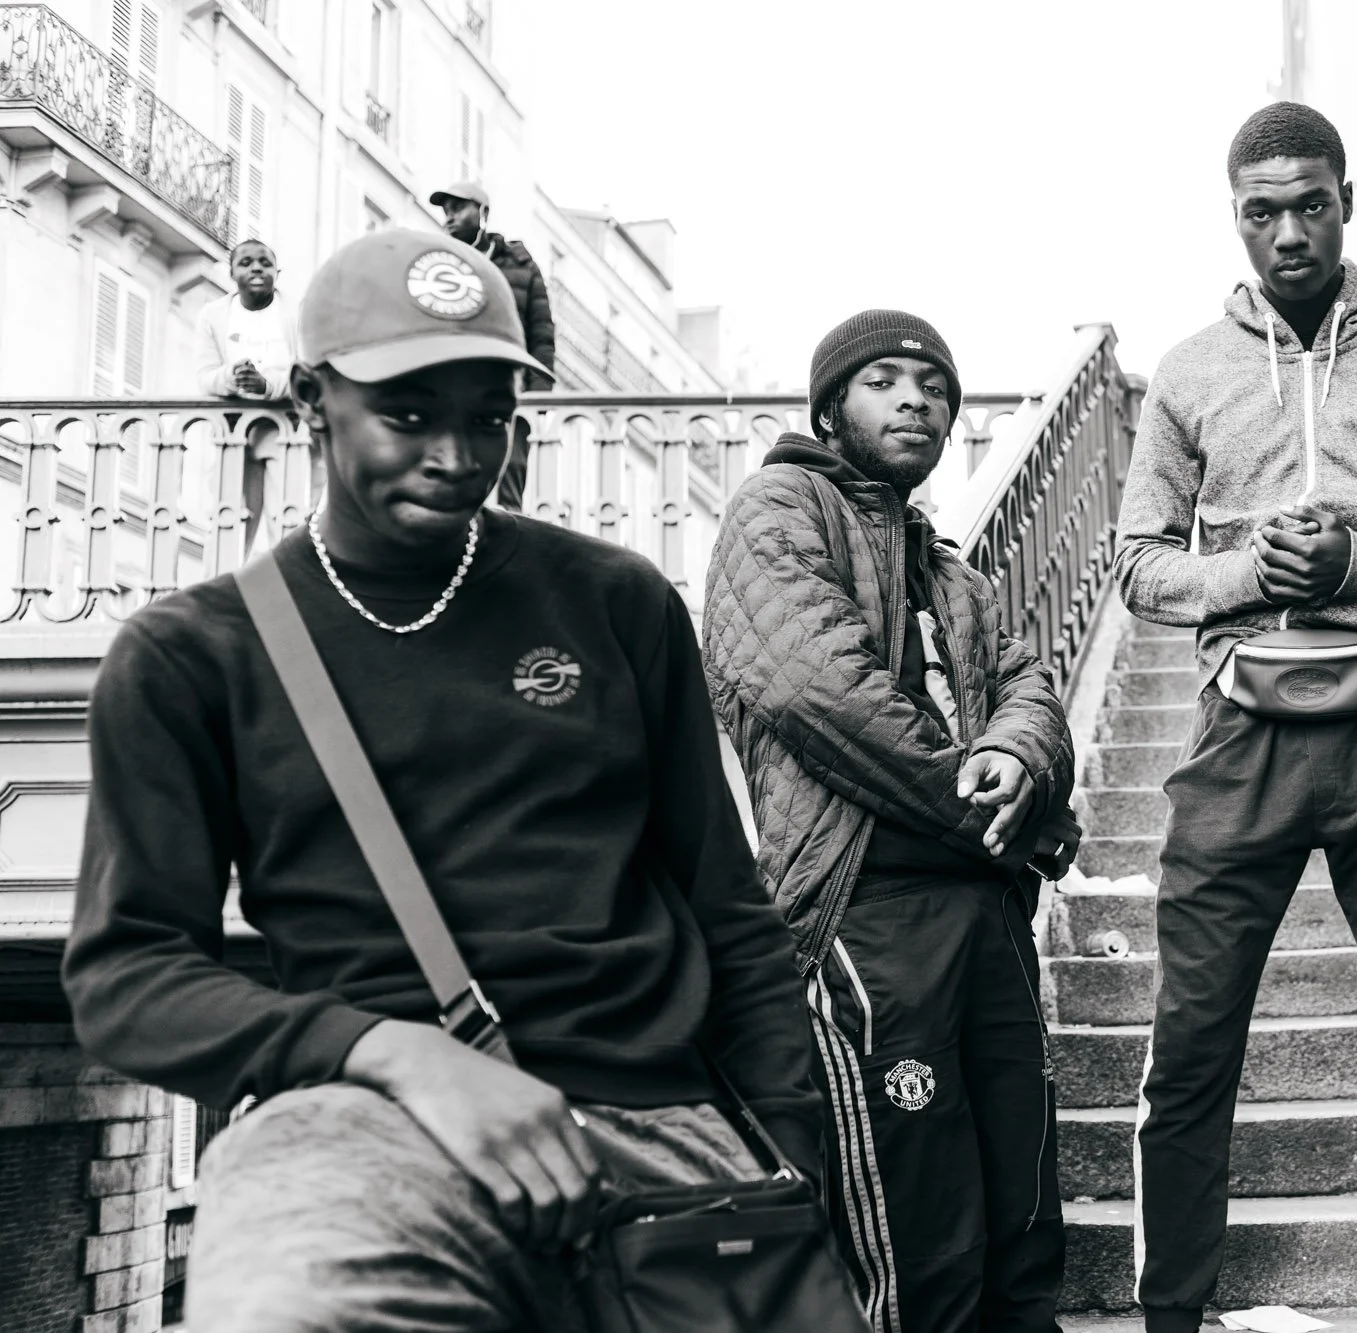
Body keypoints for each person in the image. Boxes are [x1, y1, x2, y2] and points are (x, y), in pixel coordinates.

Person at [64, 228, 820, 1330]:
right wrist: (392, 1052)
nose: (459, 454)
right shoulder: (192, 656)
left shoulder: (617, 604)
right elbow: (127, 976)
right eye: (410, 415)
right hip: (356, 1126)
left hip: (659, 1126)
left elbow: (726, 909)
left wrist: (788, 1158)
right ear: (314, 404)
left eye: (489, 417)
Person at [1114, 102, 1357, 1333]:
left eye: (1310, 202)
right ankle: (1172, 1309)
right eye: (1260, 210)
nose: (1287, 230)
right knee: (1187, 1047)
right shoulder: (1186, 372)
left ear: (1345, 201)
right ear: (1233, 217)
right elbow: (1135, 564)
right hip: (1242, 727)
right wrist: (1248, 578)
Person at [703, 310, 1078, 1333]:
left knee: (1021, 1200)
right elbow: (812, 691)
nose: (916, 398)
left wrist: (1018, 757)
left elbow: (1027, 686)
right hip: (862, 910)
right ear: (830, 406)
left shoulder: (949, 571)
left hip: (983, 911)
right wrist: (987, 800)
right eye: (882, 379)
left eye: (933, 384)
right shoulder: (777, 510)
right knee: (917, 1226)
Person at [432, 179, 557, 511]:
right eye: (446, 211)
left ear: (483, 212)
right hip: (455, 382)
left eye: (458, 208)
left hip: (509, 382)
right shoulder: (437, 261)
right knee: (454, 465)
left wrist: (538, 394)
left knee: (510, 469)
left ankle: (507, 545)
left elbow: (541, 330)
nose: (449, 217)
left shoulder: (520, 263)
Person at [194, 237, 303, 545]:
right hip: (233, 431)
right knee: (230, 520)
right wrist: (233, 377)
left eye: (265, 263)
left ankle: (286, 588)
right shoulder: (212, 315)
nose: (256, 268)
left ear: (277, 273)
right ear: (232, 274)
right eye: (246, 263)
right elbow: (204, 377)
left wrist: (268, 385)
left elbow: (308, 374)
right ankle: (229, 590)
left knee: (285, 521)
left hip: (285, 430)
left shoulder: (297, 312)